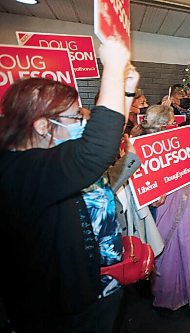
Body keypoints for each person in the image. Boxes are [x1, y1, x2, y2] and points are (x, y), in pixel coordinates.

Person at [0, 39, 131, 332]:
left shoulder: (39, 161)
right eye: (75, 117)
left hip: (85, 294)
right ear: (43, 126)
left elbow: (103, 147)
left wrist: (126, 87)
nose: (82, 124)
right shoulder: (20, 171)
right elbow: (96, 151)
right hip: (59, 314)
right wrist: (112, 67)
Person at [131, 104, 190, 315]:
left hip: (186, 198)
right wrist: (151, 199)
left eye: (172, 123)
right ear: (157, 124)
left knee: (189, 243)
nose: (172, 125)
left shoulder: (178, 139)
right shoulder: (138, 146)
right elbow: (139, 182)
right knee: (165, 251)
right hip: (161, 205)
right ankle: (168, 296)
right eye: (168, 123)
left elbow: (183, 166)